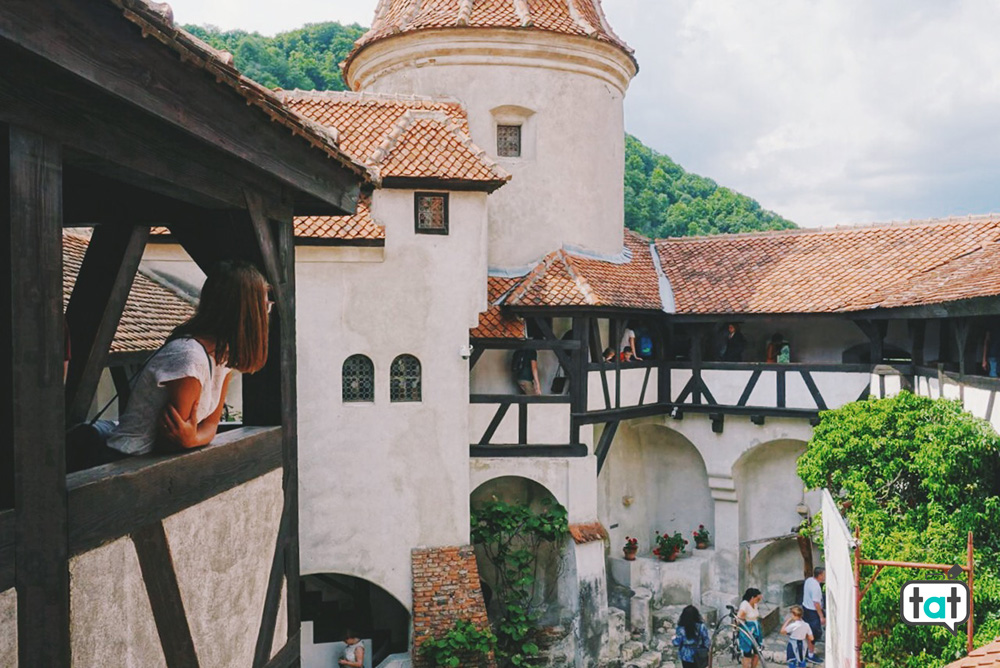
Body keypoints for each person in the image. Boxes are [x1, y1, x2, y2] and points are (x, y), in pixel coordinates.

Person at [101, 260, 271, 461]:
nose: (267, 312)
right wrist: (191, 439)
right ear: (248, 313)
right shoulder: (189, 360)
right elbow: (170, 441)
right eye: (265, 306)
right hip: (124, 461)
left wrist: (192, 439)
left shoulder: (221, 358)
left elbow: (209, 427)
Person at [802, 566, 826, 662]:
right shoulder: (816, 587)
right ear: (819, 575)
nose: (824, 576)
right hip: (813, 612)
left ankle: (808, 650)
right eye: (824, 574)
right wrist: (821, 616)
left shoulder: (809, 580)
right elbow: (816, 603)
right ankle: (810, 655)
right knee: (813, 634)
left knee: (809, 631)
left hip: (806, 608)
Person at [736, 587, 764, 668]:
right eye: (757, 598)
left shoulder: (755, 604)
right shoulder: (745, 605)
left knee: (757, 652)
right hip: (748, 630)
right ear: (752, 597)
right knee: (747, 654)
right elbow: (739, 618)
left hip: (756, 629)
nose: (758, 600)